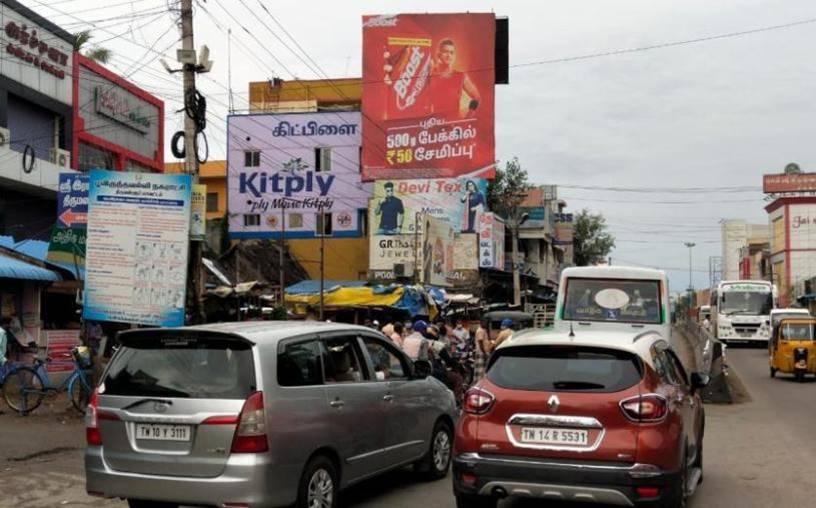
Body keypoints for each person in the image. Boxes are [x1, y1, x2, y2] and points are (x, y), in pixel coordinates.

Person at [428, 39, 481, 118]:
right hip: (431, 123)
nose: (449, 55)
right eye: (445, 52)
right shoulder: (429, 73)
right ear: (438, 54)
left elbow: (476, 97)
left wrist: (469, 116)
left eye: (451, 53)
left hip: (452, 125)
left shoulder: (461, 76)